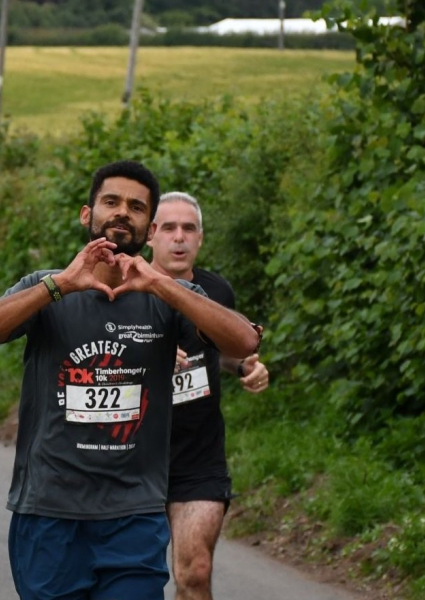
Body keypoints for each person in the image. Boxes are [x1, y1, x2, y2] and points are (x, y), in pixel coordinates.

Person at [0, 161, 260, 600]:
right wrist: (61, 284)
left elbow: (244, 341)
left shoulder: (164, 297)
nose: (123, 212)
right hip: (48, 512)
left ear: (149, 227)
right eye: (111, 202)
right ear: (88, 214)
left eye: (136, 207)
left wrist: (160, 285)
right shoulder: (47, 289)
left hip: (133, 515)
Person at [148, 192, 270, 600]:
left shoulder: (216, 291)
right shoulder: (125, 291)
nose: (179, 238)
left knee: (195, 573)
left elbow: (217, 354)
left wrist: (245, 367)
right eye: (168, 228)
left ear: (200, 238)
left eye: (189, 229)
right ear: (151, 235)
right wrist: (151, 359)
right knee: (132, 580)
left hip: (197, 459)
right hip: (131, 461)